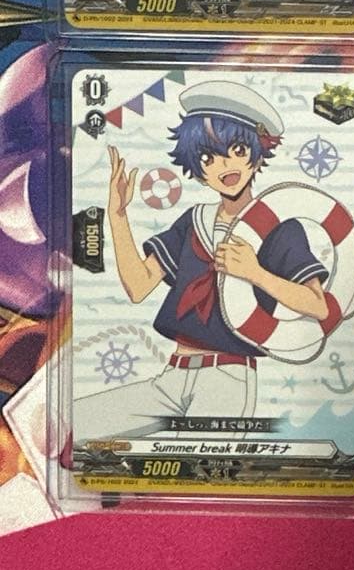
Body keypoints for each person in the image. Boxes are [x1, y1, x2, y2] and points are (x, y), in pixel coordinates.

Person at [73, 81, 329, 439]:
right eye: (208, 157)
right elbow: (138, 286)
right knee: (79, 420)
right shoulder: (195, 221)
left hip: (227, 378)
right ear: (197, 169)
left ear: (258, 154)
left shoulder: (281, 229)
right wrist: (118, 214)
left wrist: (256, 273)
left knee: (196, 463)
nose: (224, 165)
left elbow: (318, 306)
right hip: (173, 373)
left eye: (237, 149)